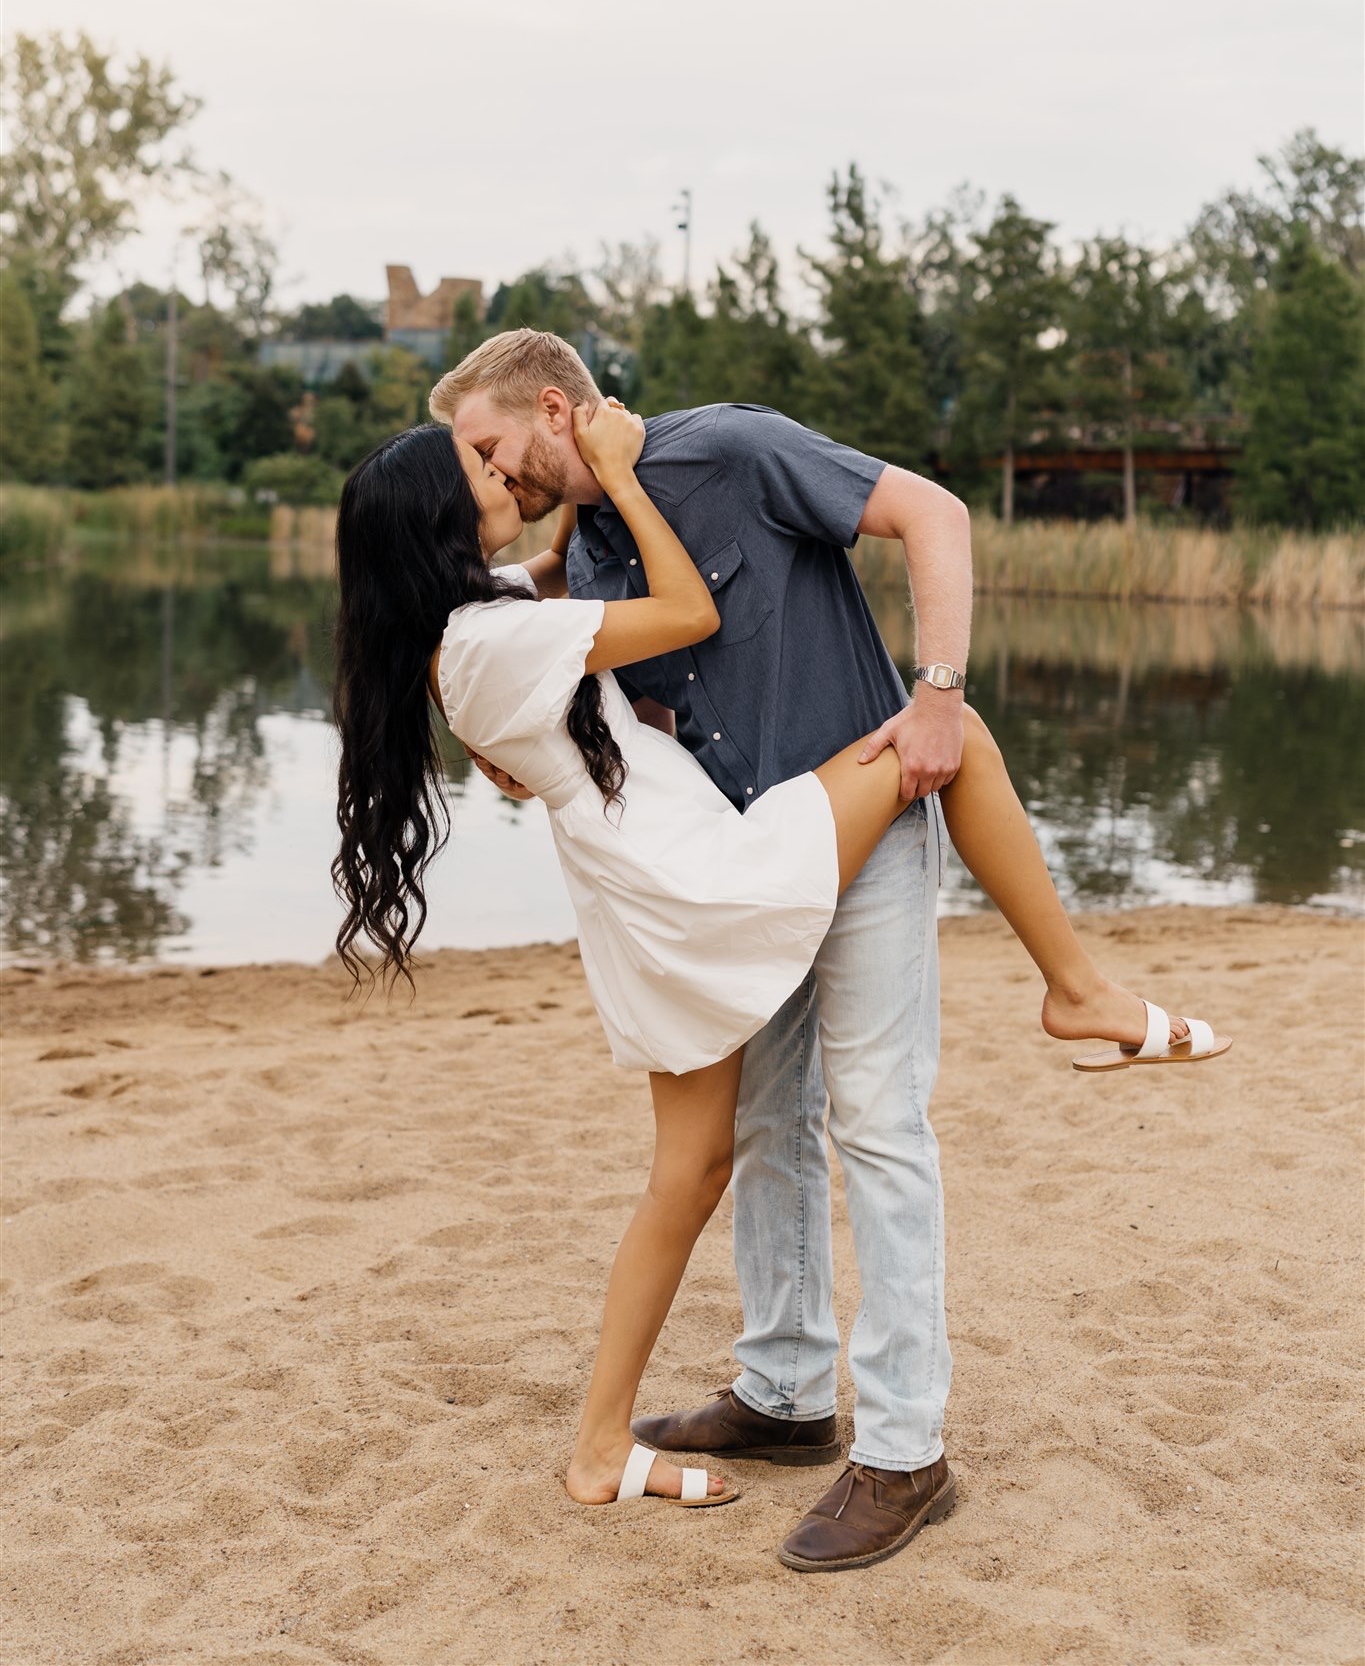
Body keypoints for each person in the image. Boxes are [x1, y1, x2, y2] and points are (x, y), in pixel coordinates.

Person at [333, 374, 1228, 1571]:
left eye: (493, 449)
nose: (498, 474)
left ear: (555, 406)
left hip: (719, 871)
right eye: (477, 474)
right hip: (714, 870)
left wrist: (938, 685)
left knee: (867, 1100)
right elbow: (677, 613)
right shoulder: (521, 608)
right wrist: (605, 518)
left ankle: (903, 1446)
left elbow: (936, 516)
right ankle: (788, 1388)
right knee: (746, 1138)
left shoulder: (712, 468)